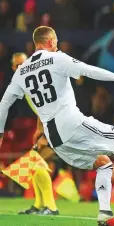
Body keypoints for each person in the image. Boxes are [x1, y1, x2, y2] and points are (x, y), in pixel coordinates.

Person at [0, 26, 114, 226]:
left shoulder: (21, 72)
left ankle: (105, 214)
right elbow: (89, 71)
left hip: (55, 139)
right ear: (51, 41)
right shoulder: (57, 58)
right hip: (71, 123)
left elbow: (4, 104)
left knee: (103, 163)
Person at [10, 52, 59, 215]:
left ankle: (51, 207)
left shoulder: (34, 82)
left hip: (60, 129)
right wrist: (39, 129)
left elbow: (51, 108)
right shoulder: (26, 85)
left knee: (37, 162)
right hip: (52, 128)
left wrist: (45, 135)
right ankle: (39, 205)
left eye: (24, 64)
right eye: (18, 65)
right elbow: (41, 111)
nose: (21, 67)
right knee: (35, 163)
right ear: (12, 68)